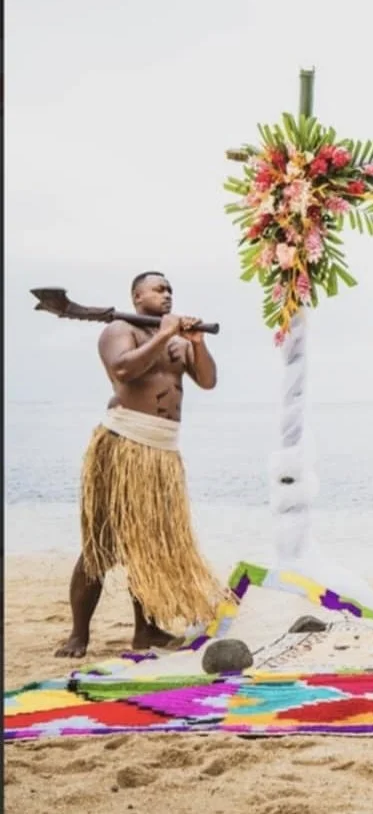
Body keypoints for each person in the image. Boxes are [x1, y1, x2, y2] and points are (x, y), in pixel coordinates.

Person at [55, 272, 223, 657]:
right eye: (158, 289)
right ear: (136, 296)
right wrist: (165, 334)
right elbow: (123, 371)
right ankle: (78, 634)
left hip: (162, 450)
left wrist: (197, 344)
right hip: (125, 445)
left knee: (151, 545)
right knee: (102, 544)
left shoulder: (180, 340)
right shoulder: (118, 329)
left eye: (170, 290)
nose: (167, 295)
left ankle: (145, 632)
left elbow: (208, 381)